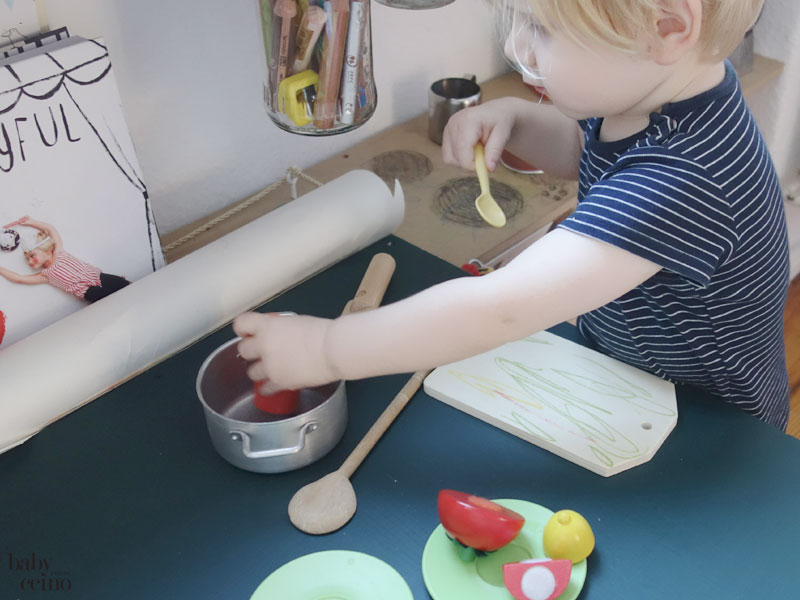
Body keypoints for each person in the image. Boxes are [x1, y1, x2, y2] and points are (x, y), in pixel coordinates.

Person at [234, 0, 790, 429]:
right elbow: (590, 150)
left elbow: (501, 309)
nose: (517, 45)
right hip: (630, 369)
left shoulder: (683, 179)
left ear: (667, 27)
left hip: (704, 422)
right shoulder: (666, 93)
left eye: (541, 27)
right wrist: (517, 119)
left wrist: (327, 350)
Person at [0, 216, 130, 303]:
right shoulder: (45, 275)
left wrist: (31, 221)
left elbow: (51, 229)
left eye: (32, 256)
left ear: (46, 250)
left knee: (128, 288)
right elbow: (19, 278)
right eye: (27, 259)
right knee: (115, 303)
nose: (29, 261)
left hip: (101, 277)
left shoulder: (59, 251)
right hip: (90, 292)